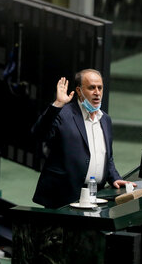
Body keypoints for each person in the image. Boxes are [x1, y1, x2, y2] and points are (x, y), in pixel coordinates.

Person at [32, 69, 135, 208]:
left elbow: (106, 157)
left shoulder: (105, 119)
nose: (97, 92)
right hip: (63, 197)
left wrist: (114, 177)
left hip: (95, 196)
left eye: (100, 88)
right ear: (79, 91)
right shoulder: (64, 114)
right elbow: (38, 134)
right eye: (92, 88)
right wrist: (57, 104)